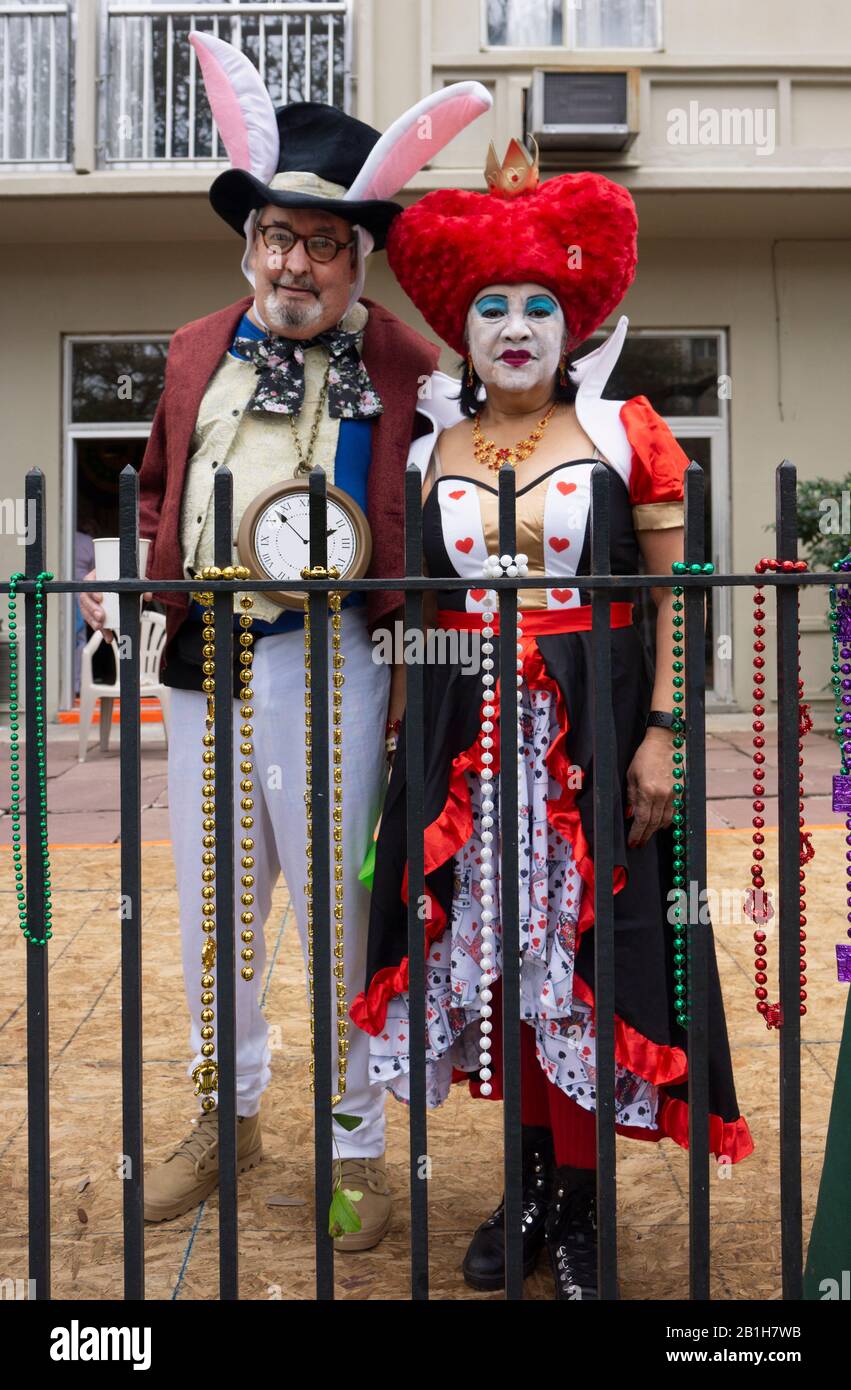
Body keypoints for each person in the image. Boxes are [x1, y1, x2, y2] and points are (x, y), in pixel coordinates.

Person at [78, 30, 490, 1247]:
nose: (293, 262)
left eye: (320, 241)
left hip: (339, 662)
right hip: (209, 656)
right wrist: (158, 582)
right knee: (216, 909)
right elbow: (159, 482)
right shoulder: (197, 347)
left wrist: (420, 665)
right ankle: (229, 1116)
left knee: (336, 912)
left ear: (357, 255)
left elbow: (437, 515)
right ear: (247, 244)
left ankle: (358, 1141)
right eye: (274, 236)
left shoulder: (408, 359)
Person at [350, 137, 754, 1294]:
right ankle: (524, 1182)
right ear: (462, 332)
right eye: (490, 307)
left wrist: (662, 728)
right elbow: (421, 608)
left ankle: (579, 1206)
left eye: (537, 304)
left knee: (585, 961)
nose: (515, 325)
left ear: (568, 325)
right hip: (465, 749)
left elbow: (668, 593)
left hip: (587, 732)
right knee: (493, 964)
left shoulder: (626, 432)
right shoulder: (433, 447)